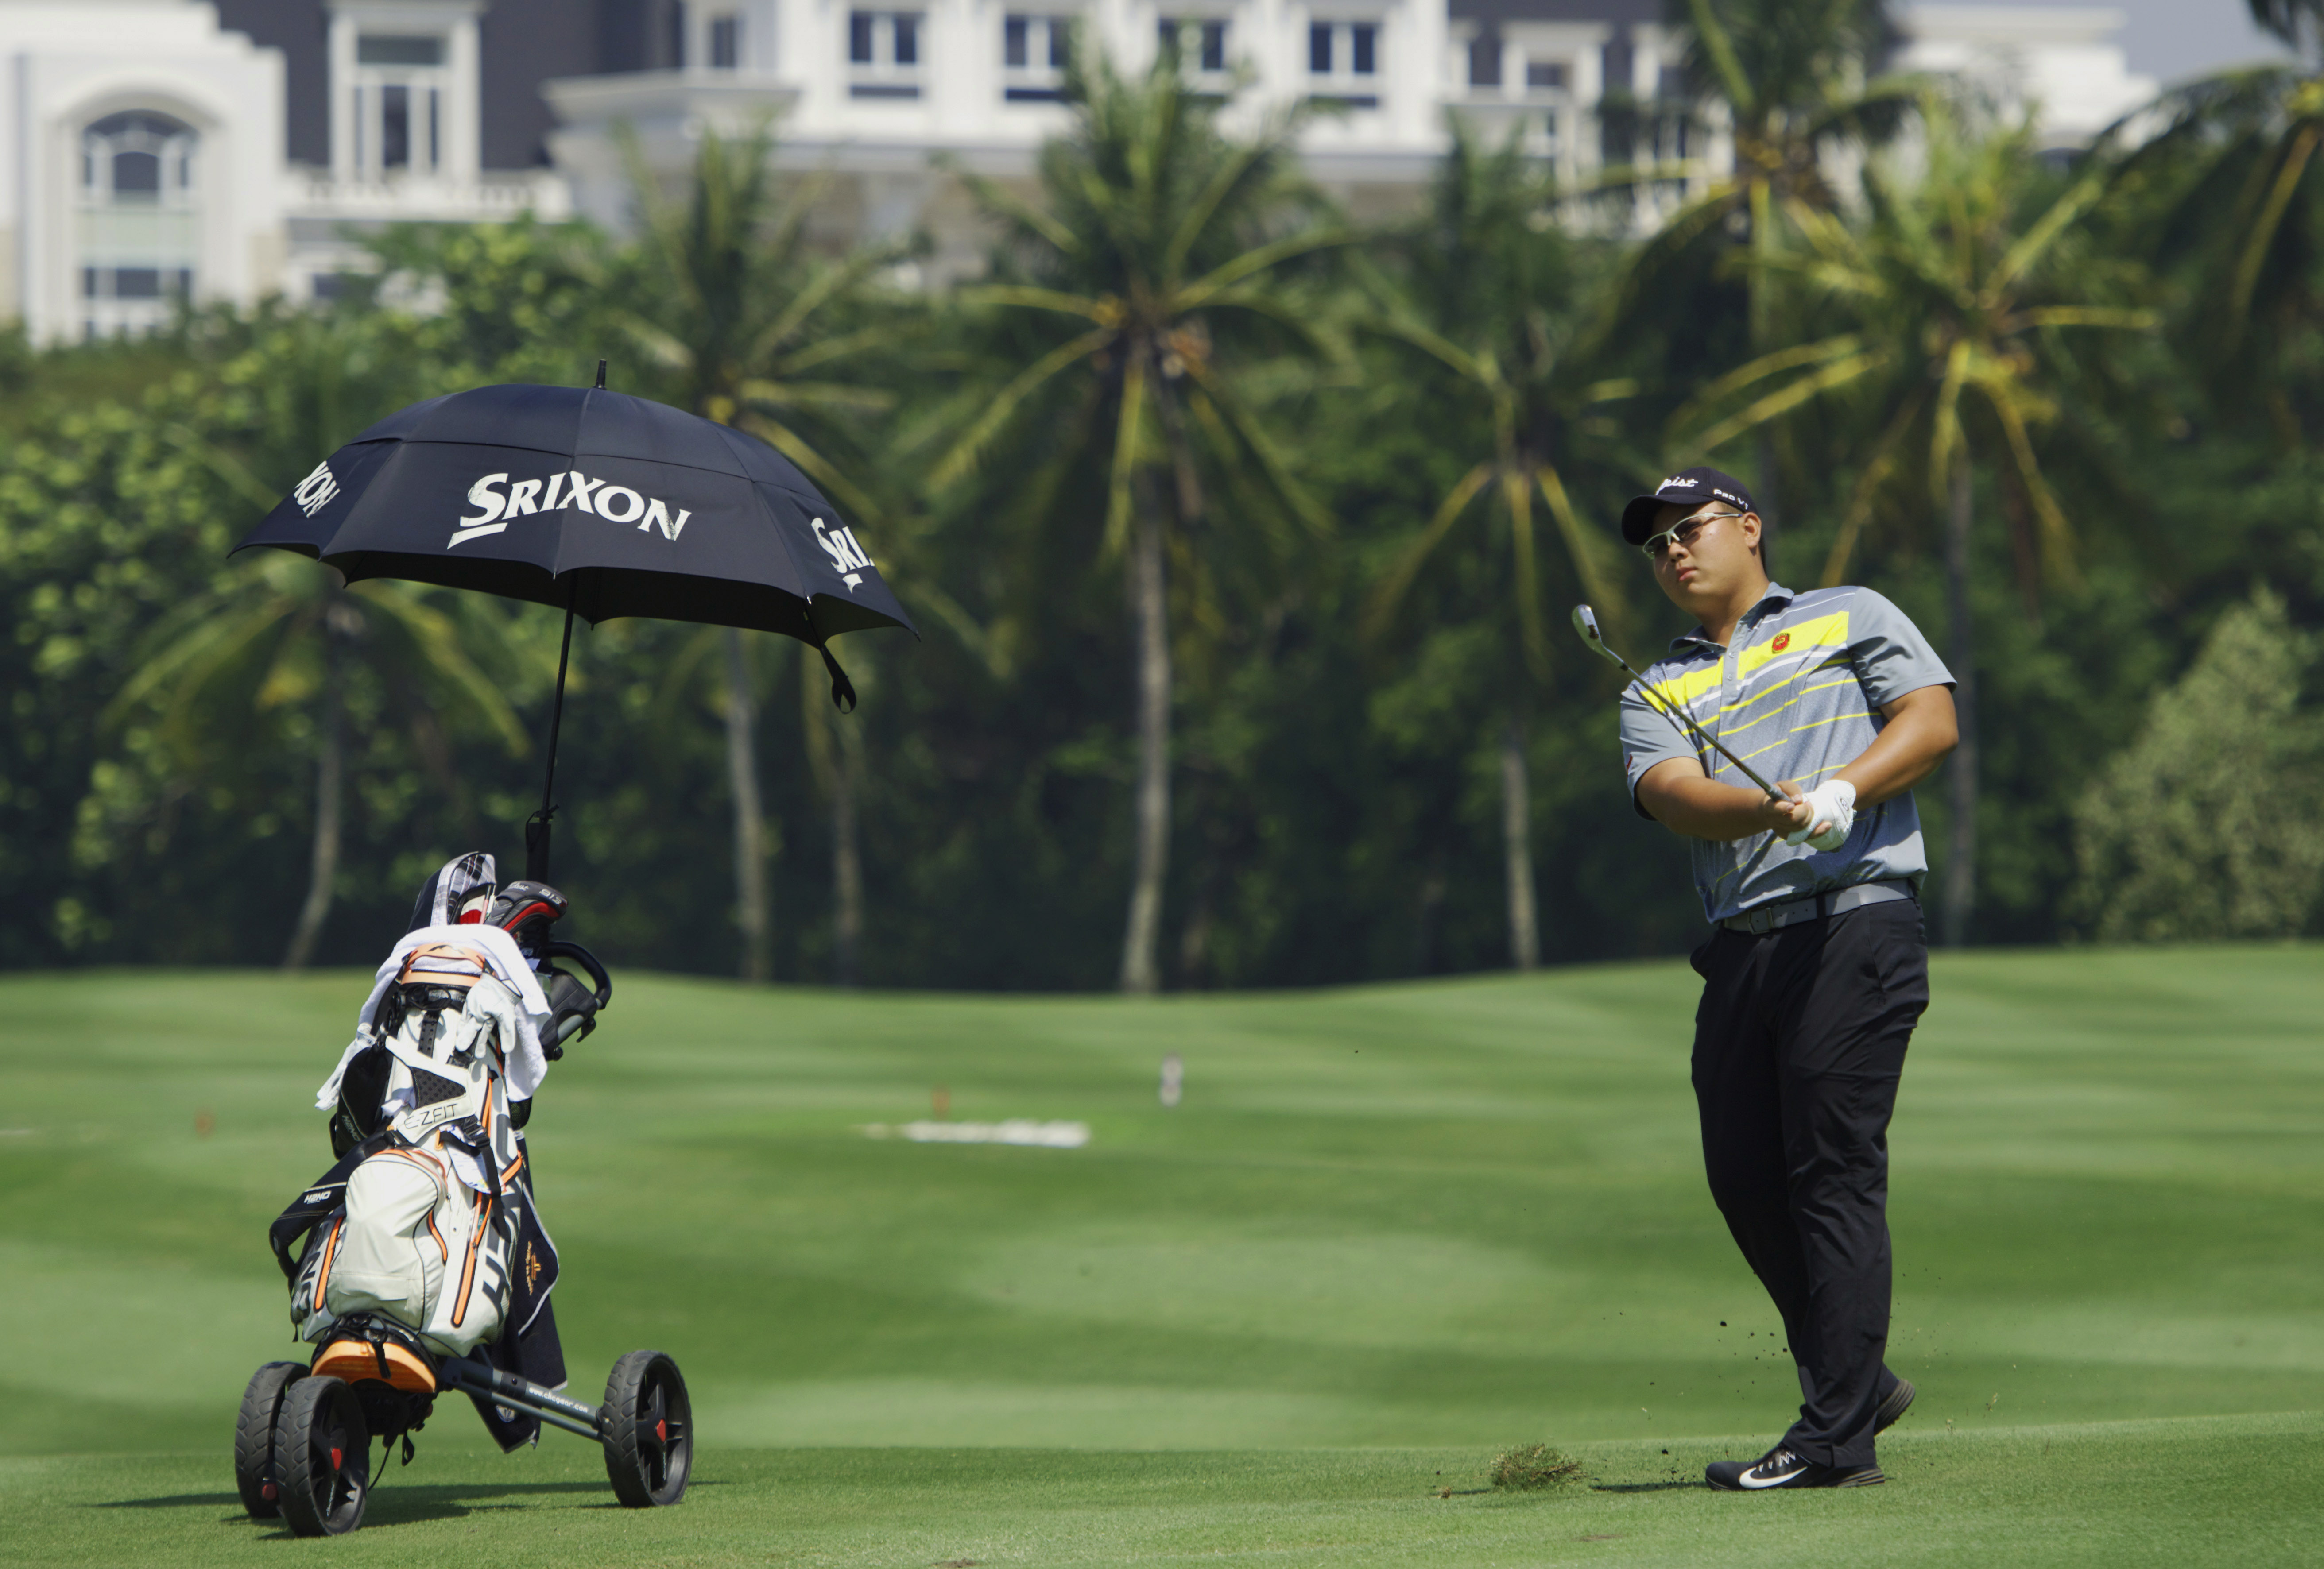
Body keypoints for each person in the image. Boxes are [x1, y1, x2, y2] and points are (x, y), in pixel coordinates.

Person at [1615, 467, 1959, 1491]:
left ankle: (1832, 1438)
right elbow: (1670, 792)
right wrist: (1765, 810)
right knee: (1744, 1177)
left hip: (1853, 926)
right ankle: (1860, 1379)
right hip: (1741, 948)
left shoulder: (1846, 614)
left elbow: (1929, 719)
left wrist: (1842, 789)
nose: (1673, 550)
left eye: (1691, 528)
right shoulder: (1650, 683)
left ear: (1749, 528)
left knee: (1831, 1169)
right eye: (1656, 543)